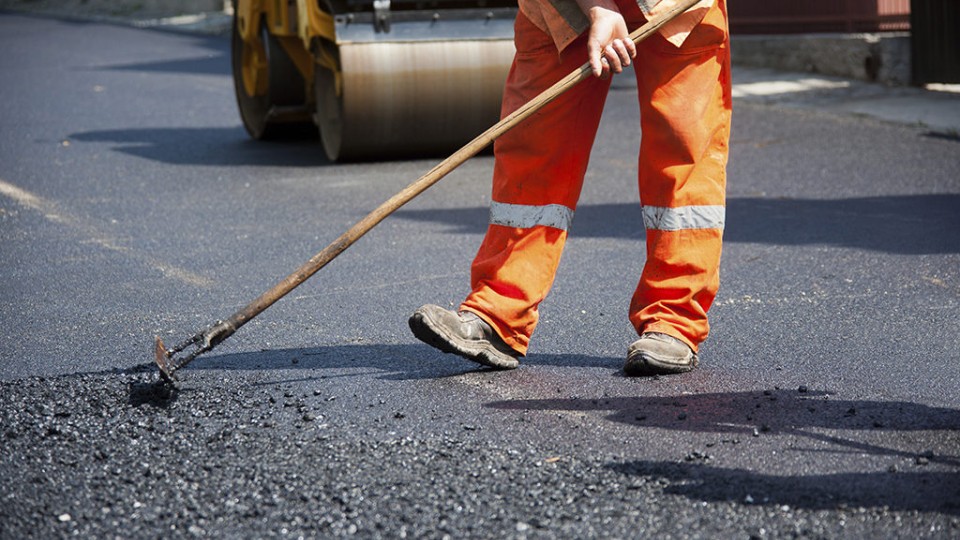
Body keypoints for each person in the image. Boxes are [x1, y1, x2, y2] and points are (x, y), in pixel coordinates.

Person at [409, 0, 731, 376]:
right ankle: (498, 313)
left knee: (683, 150)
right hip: (561, 8)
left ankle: (673, 321)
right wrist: (598, 8)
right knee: (534, 147)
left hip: (679, 6)